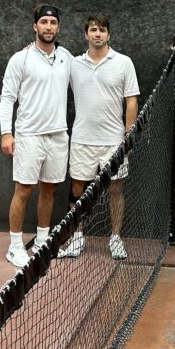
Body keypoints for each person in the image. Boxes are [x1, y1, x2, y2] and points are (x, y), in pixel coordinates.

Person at [58, 15, 139, 260]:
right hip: (82, 139)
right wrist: (30, 49)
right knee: (77, 188)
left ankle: (115, 238)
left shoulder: (124, 62)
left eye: (102, 30)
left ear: (108, 35)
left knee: (115, 189)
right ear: (86, 34)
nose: (97, 34)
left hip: (114, 141)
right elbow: (50, 62)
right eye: (93, 30)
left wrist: (128, 136)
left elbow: (132, 101)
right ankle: (77, 236)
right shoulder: (73, 64)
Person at [0, 5, 72, 268]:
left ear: (58, 28)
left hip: (58, 135)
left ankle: (42, 242)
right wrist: (6, 133)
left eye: (53, 22)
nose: (48, 27)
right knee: (23, 190)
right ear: (35, 26)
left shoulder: (66, 57)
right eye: (44, 22)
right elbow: (7, 97)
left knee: (49, 189)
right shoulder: (21, 59)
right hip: (29, 135)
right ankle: (15, 247)